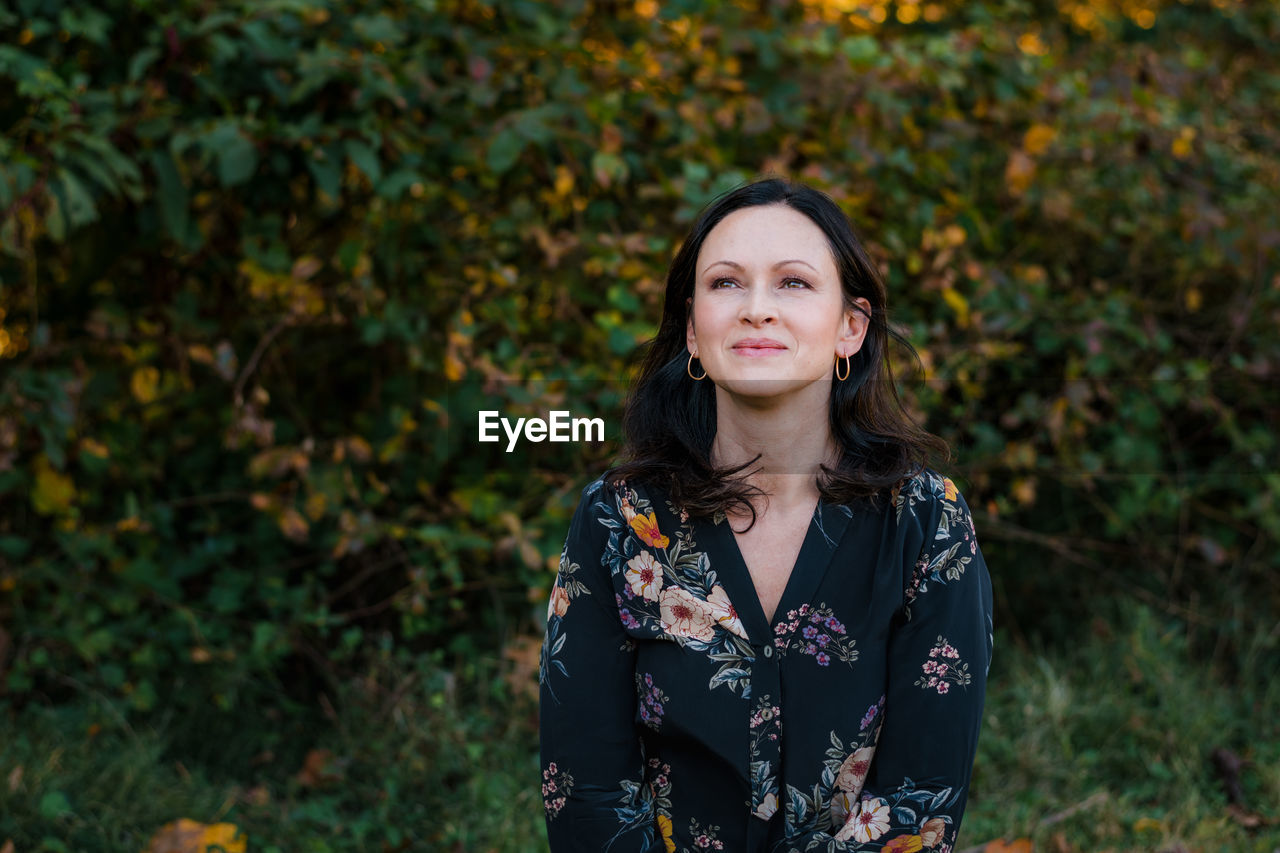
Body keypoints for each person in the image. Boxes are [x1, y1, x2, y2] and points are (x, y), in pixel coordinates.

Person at [539, 177, 993, 853]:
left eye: (793, 283)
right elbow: (586, 792)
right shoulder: (620, 519)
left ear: (851, 327)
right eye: (725, 283)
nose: (756, 309)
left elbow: (915, 805)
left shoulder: (925, 523)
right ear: (692, 330)